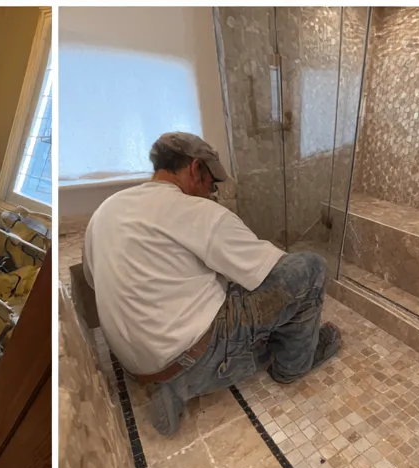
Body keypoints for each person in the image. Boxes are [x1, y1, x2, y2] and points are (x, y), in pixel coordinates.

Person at [84, 131, 342, 437]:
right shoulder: (195, 210)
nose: (212, 193)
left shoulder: (107, 209)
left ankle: (174, 385)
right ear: (194, 169)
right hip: (198, 354)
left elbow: (91, 278)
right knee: (310, 268)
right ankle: (292, 367)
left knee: (227, 288)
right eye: (211, 183)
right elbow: (273, 271)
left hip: (136, 365)